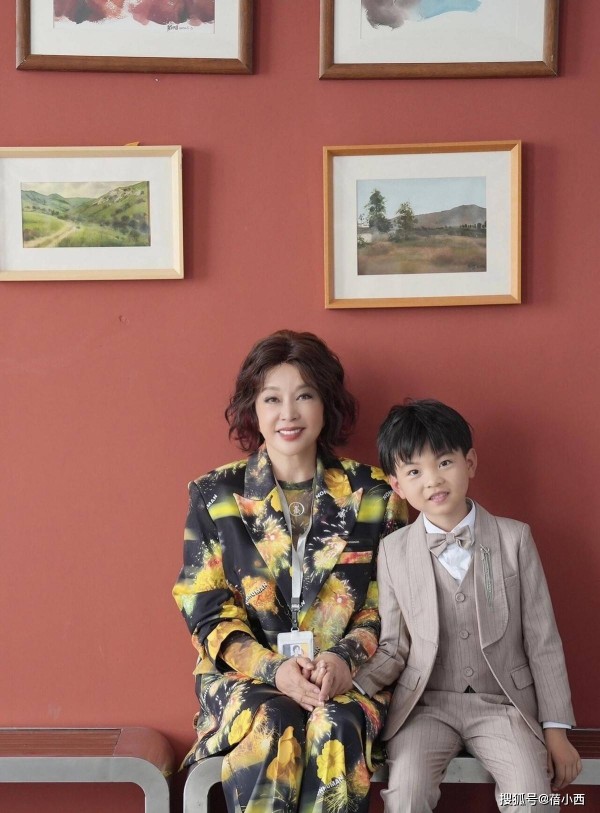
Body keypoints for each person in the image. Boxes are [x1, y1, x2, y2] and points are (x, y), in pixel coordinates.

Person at [173, 330, 407, 813]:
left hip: (349, 676)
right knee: (274, 720)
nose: (289, 413)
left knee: (334, 725)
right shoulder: (215, 494)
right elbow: (205, 610)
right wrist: (274, 670)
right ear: (253, 409)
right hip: (247, 678)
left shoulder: (376, 494)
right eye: (272, 399)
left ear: (326, 404)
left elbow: (388, 605)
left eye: (304, 396)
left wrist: (343, 659)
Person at [354, 399, 581, 812]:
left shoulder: (514, 540)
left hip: (503, 706)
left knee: (531, 796)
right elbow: (393, 647)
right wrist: (352, 686)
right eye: (414, 472)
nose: (433, 480)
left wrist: (556, 730)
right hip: (425, 707)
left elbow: (542, 640)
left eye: (444, 462)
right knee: (406, 794)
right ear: (397, 485)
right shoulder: (393, 551)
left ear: (470, 462)